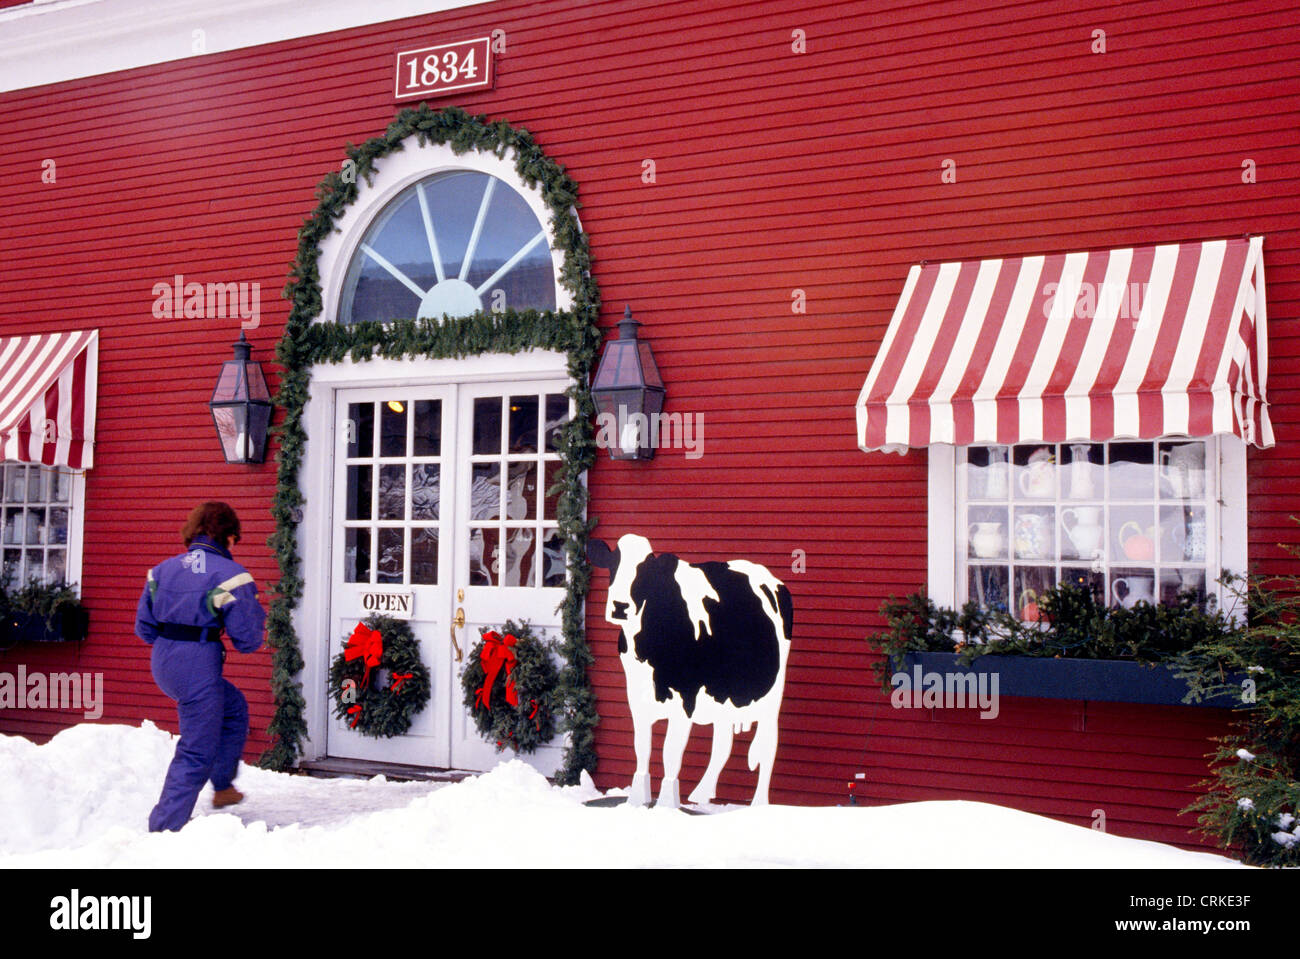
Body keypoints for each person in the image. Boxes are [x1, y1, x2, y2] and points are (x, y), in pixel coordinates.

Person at [135, 502, 266, 832]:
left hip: (164, 662)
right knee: (196, 750)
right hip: (196, 666)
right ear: (230, 538)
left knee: (233, 708)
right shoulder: (231, 576)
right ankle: (163, 828)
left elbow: (144, 629)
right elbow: (248, 640)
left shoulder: (160, 571)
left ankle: (222, 787)